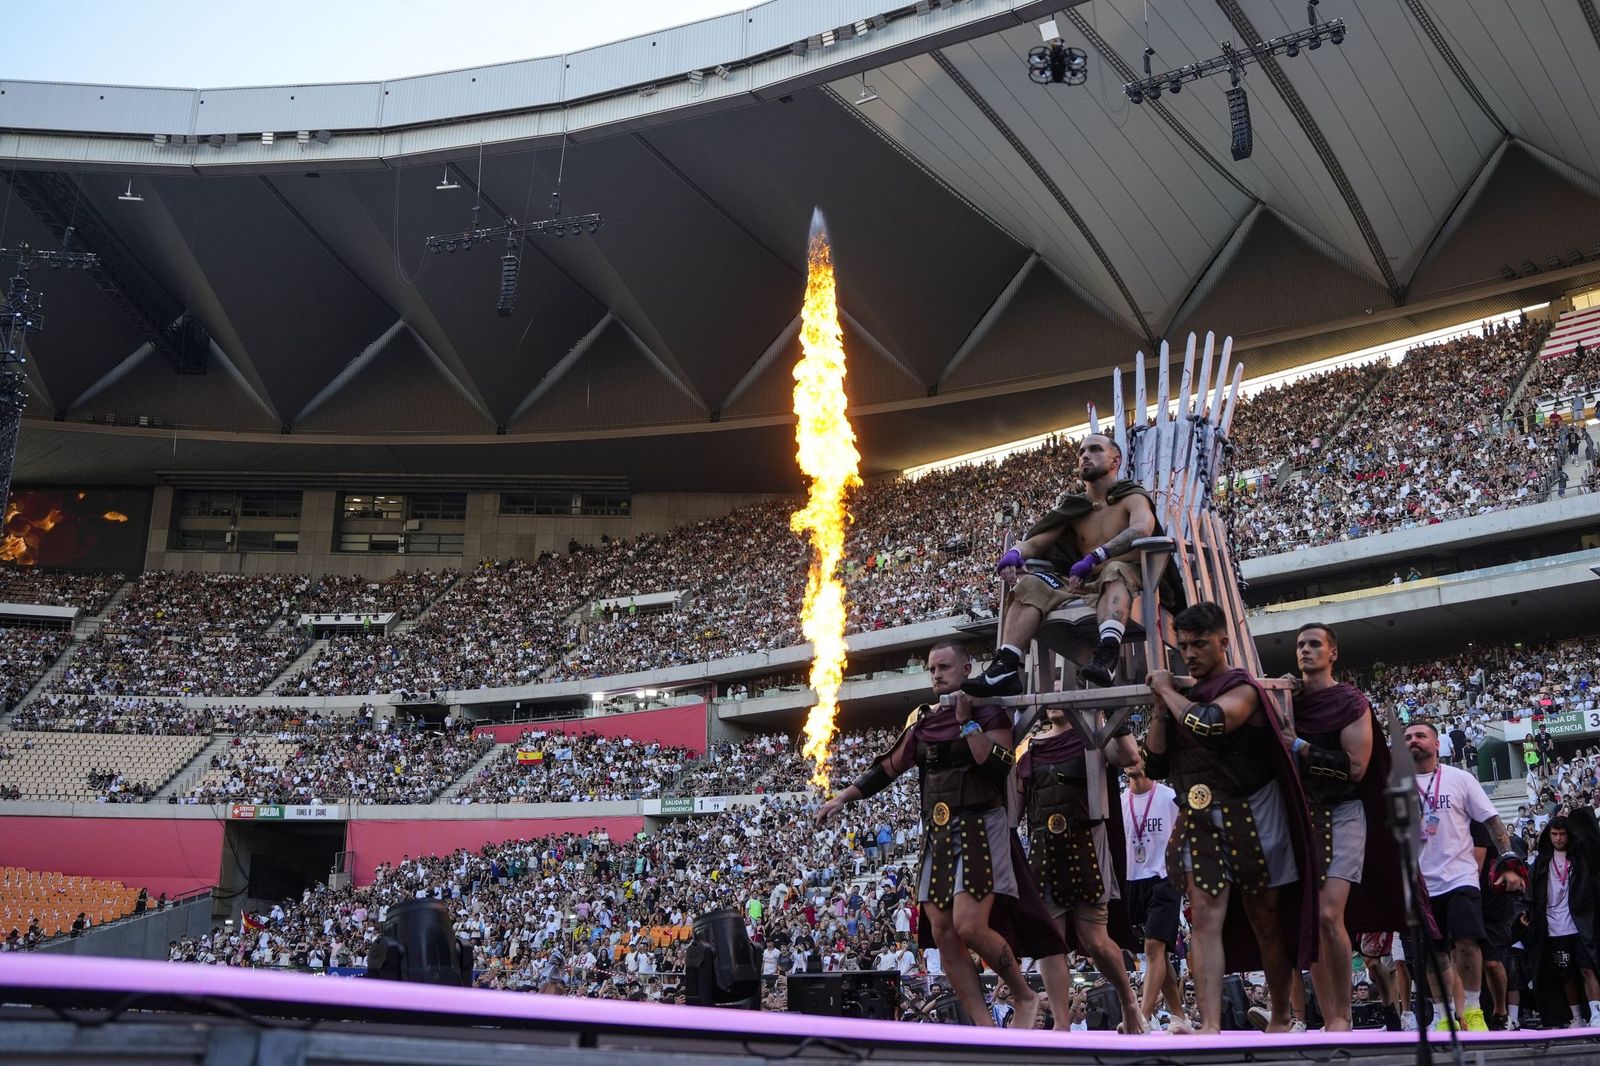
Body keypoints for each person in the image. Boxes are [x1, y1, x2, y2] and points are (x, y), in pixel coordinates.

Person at [816, 641, 1069, 1030]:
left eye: (944, 667)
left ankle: (1023, 993)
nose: (936, 674)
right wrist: (842, 798)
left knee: (969, 925)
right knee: (942, 931)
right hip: (938, 831)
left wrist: (968, 722)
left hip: (981, 825)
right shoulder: (923, 721)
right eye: (932, 668)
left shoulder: (990, 711)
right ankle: (984, 1027)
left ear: (967, 669)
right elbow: (888, 767)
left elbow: (998, 764)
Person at [1141, 601, 1318, 1033]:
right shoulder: (1184, 695)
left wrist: (1166, 691)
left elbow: (1209, 724)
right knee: (1203, 919)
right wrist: (1162, 708)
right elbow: (1156, 762)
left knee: (1265, 919)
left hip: (1253, 811)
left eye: (1199, 644)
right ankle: (1211, 1024)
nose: (1191, 653)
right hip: (1200, 814)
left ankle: (1280, 1015)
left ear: (1223, 641)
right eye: (1183, 646)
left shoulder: (1243, 688)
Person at [964, 434, 1168, 696]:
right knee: (1031, 584)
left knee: (1113, 571)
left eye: (1095, 450)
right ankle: (1006, 665)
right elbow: (1037, 542)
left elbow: (1141, 530)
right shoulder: (1075, 507)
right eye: (1081, 451)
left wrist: (1096, 556)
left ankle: (1107, 656)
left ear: (1115, 459)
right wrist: (1015, 553)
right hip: (1079, 583)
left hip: (1127, 578)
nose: (1085, 455)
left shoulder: (1132, 496)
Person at [1288, 622, 1404, 1032]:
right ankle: (1327, 1015)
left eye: (1315, 644)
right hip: (1300, 817)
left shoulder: (1350, 701)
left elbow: (1355, 769)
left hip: (1342, 812)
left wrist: (1299, 746)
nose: (1306, 650)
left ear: (1332, 652)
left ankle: (1343, 1016)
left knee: (1327, 913)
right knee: (1308, 918)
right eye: (1301, 644)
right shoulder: (1288, 700)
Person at [1015, 703, 1146, 1032]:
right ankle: (1061, 1025)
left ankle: (1130, 1003)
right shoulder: (1030, 747)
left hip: (1087, 844)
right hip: (1044, 850)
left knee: (1096, 940)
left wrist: (1105, 709)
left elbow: (1130, 755)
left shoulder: (1094, 738)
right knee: (1050, 940)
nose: (1057, 700)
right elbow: (1014, 809)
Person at [1404, 720, 1525, 1032]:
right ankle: (1445, 1015)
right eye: (1407, 737)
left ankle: (1472, 1011)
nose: (1413, 741)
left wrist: (1509, 861)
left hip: (1460, 875)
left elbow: (1492, 821)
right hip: (1420, 881)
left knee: (1468, 942)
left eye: (1420, 735)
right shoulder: (1396, 785)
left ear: (1436, 744)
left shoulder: (1460, 778)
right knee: (1435, 951)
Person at [1121, 756, 1191, 1033]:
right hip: (1131, 881)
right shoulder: (1118, 801)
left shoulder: (1171, 797)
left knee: (1154, 948)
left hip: (1164, 879)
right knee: (1156, 954)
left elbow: (1187, 837)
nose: (1130, 760)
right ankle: (1180, 1016)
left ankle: (1142, 1017)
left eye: (1135, 755)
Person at [1527, 811, 1600, 1028]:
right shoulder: (1541, 862)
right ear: (1548, 835)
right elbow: (1531, 894)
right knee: (1566, 974)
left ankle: (1596, 1014)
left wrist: (1576, 817)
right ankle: (1576, 1017)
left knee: (1588, 969)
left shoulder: (1582, 857)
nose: (1558, 838)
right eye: (1554, 834)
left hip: (1580, 925)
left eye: (1562, 834)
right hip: (1554, 927)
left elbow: (1593, 838)